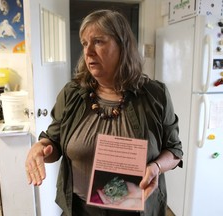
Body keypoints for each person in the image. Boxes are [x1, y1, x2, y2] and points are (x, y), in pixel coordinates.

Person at [25, 9, 183, 216]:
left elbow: (174, 151)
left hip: (135, 210)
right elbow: (53, 142)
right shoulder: (72, 94)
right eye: (84, 43)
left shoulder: (155, 95)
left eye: (98, 41)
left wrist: (156, 167)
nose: (88, 51)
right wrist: (40, 147)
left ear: (122, 45)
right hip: (80, 210)